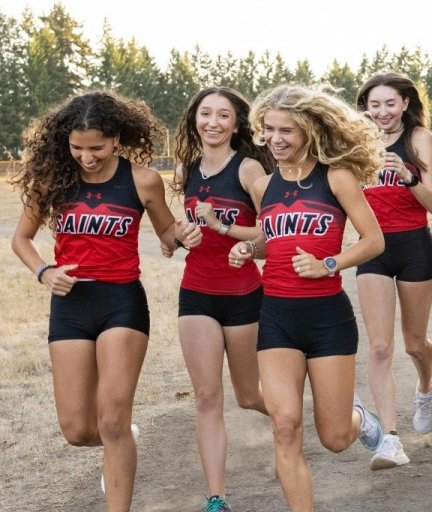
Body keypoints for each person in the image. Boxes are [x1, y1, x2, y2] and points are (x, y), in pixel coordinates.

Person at [10, 90, 201, 511]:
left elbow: (168, 235)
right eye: (76, 147)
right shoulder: (52, 179)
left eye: (95, 147)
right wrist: (45, 271)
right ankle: (123, 439)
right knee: (78, 429)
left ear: (116, 139)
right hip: (71, 304)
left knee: (111, 418)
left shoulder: (142, 180)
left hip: (121, 302)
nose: (86, 156)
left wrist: (183, 236)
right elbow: (21, 239)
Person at [227, 84, 385, 512]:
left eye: (287, 131)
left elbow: (373, 241)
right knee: (285, 426)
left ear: (310, 132)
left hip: (327, 317)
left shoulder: (336, 177)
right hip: (276, 314)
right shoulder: (264, 186)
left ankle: (360, 419)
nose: (275, 139)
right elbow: (271, 238)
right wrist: (248, 249)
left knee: (334, 439)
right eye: (269, 130)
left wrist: (329, 263)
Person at [162, 86, 274, 512]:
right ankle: (216, 498)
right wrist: (180, 235)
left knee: (248, 395)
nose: (212, 122)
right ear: (195, 119)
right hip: (196, 294)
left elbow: (271, 236)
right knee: (207, 396)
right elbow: (178, 236)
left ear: (236, 123)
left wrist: (240, 243)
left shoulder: (248, 171)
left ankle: (314, 413)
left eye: (223, 115)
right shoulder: (187, 170)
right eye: (205, 114)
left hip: (244, 295)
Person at [354, 72, 432, 470]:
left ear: (405, 103)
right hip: (373, 248)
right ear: (365, 107)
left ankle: (424, 387)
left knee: (414, 344)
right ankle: (390, 439)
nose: (383, 112)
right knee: (379, 346)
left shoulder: (418, 138)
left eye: (390, 103)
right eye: (375, 104)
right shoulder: (355, 141)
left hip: (413, 247)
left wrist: (408, 178)